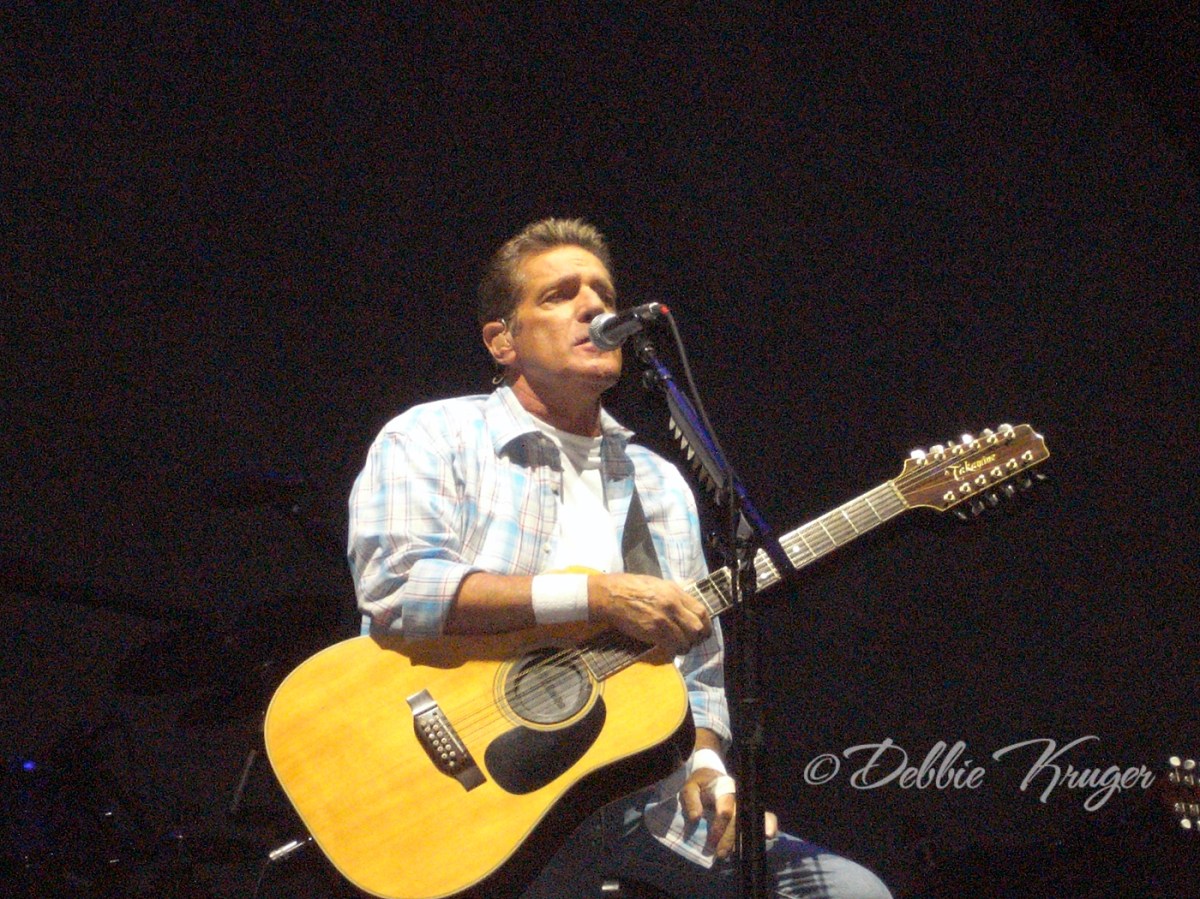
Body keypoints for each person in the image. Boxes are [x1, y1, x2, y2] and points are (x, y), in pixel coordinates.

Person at [347, 218, 892, 898]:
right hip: (481, 800)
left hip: (636, 801)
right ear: (503, 341)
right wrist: (596, 597)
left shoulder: (657, 483)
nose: (592, 307)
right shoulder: (435, 436)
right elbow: (400, 588)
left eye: (602, 294)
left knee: (848, 891)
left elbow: (697, 659)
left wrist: (707, 763)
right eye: (559, 295)